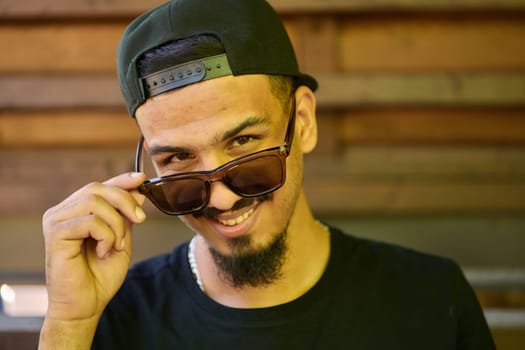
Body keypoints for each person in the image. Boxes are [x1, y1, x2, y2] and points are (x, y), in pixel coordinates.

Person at [38, 0, 496, 349]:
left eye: (244, 146)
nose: (219, 199)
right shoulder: (110, 317)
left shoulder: (430, 300)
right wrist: (69, 325)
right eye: (178, 162)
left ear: (304, 121)